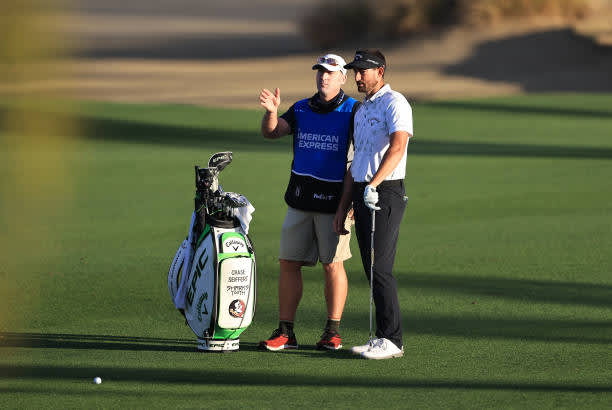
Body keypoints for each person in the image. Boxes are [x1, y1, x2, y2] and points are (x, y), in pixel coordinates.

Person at [258, 53, 360, 351]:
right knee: (288, 262)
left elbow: (364, 155)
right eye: (320, 72)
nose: (323, 77)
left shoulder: (355, 110)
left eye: (330, 72)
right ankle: (286, 332)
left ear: (343, 77)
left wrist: (352, 202)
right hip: (300, 200)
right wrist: (271, 112)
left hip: (335, 203)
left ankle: (332, 331)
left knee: (332, 265)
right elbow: (272, 132)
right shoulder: (301, 108)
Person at [334, 49, 413, 360]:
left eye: (363, 71)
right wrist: (345, 206)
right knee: (370, 269)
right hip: (363, 191)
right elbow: (357, 161)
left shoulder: (396, 103)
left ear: (380, 71)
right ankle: (380, 336)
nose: (357, 77)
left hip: (386, 192)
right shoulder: (361, 110)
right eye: (355, 71)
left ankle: (393, 340)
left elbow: (398, 147)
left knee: (381, 268)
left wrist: (375, 185)